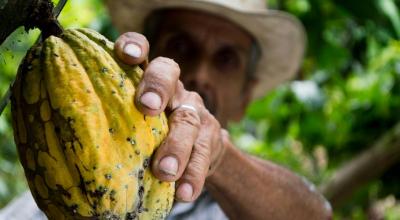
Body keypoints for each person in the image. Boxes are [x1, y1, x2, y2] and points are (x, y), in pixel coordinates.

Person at [0, 0, 332, 219]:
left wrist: (219, 158)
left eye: (226, 59)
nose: (201, 74)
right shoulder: (41, 202)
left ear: (246, 96)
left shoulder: (244, 208)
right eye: (180, 46)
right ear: (140, 57)